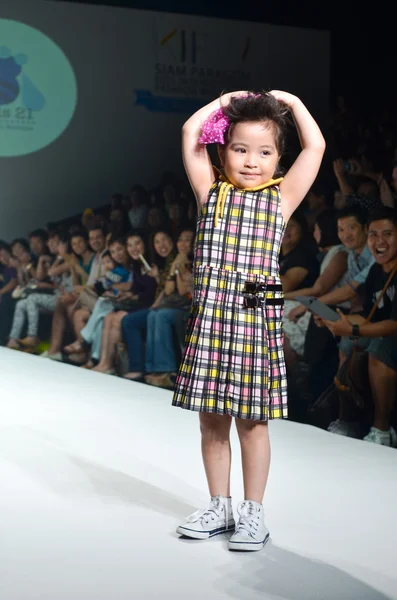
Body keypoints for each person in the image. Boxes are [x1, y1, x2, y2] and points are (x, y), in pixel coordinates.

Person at [171, 90, 325, 550]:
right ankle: (220, 506)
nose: (252, 160)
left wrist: (294, 103)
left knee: (253, 423)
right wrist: (228, 99)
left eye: (264, 152)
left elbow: (315, 147)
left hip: (254, 326)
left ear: (279, 159)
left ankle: (253, 514)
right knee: (211, 421)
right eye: (240, 149)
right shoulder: (210, 192)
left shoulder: (281, 199)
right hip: (212, 323)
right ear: (224, 151)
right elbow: (189, 132)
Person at [322, 207, 397, 446]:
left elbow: (394, 325)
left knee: (378, 347)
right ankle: (350, 419)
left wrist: (354, 329)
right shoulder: (376, 270)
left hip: (391, 335)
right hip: (381, 330)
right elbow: (367, 316)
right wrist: (339, 322)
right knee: (347, 342)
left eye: (388, 234)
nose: (379, 241)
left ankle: (382, 429)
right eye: (374, 235)